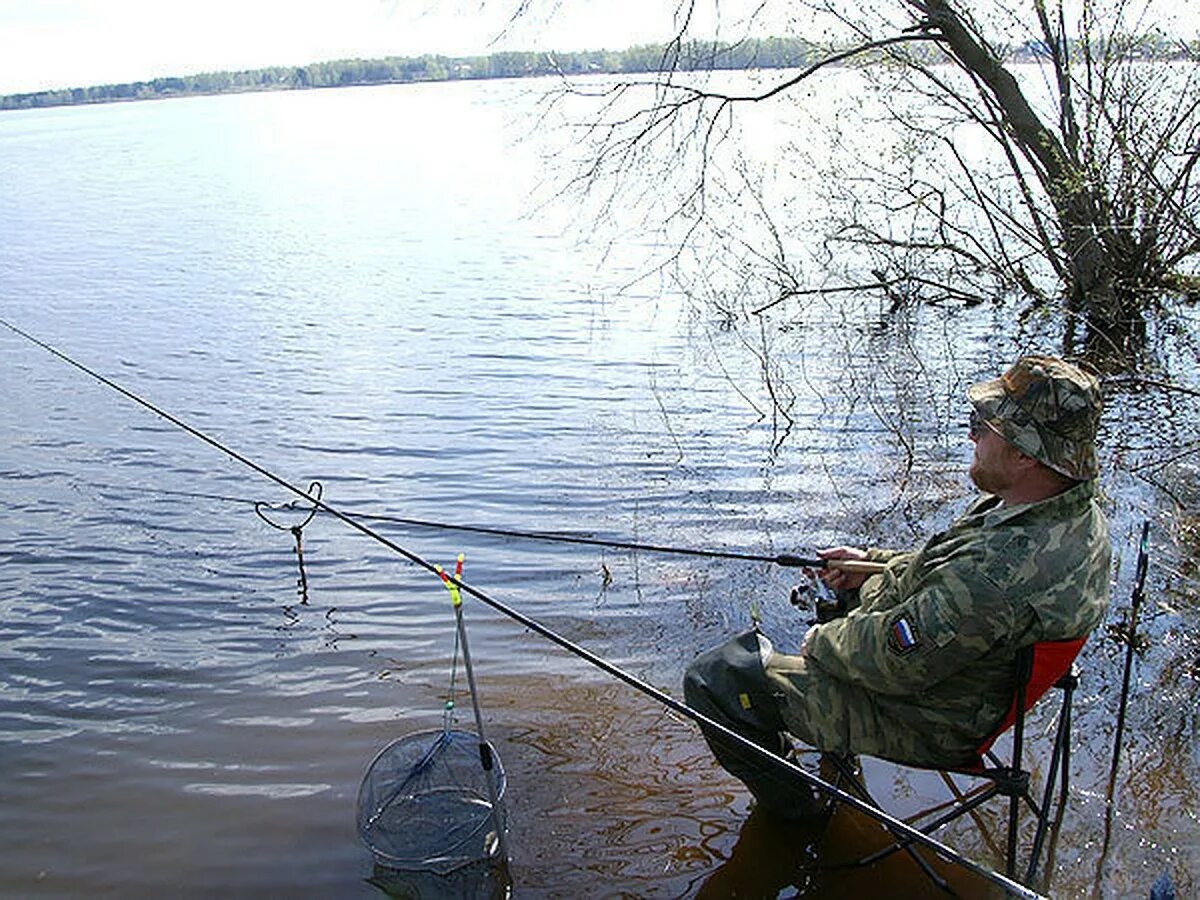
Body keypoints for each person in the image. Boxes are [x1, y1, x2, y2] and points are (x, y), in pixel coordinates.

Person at [683, 355, 1110, 820]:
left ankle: (795, 820)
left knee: (717, 680)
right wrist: (870, 565)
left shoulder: (997, 574)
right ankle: (833, 758)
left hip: (931, 719)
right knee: (841, 597)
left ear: (1025, 452)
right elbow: (946, 573)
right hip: (969, 678)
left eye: (982, 425)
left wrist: (821, 644)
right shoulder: (1062, 512)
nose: (971, 435)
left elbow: (895, 661)